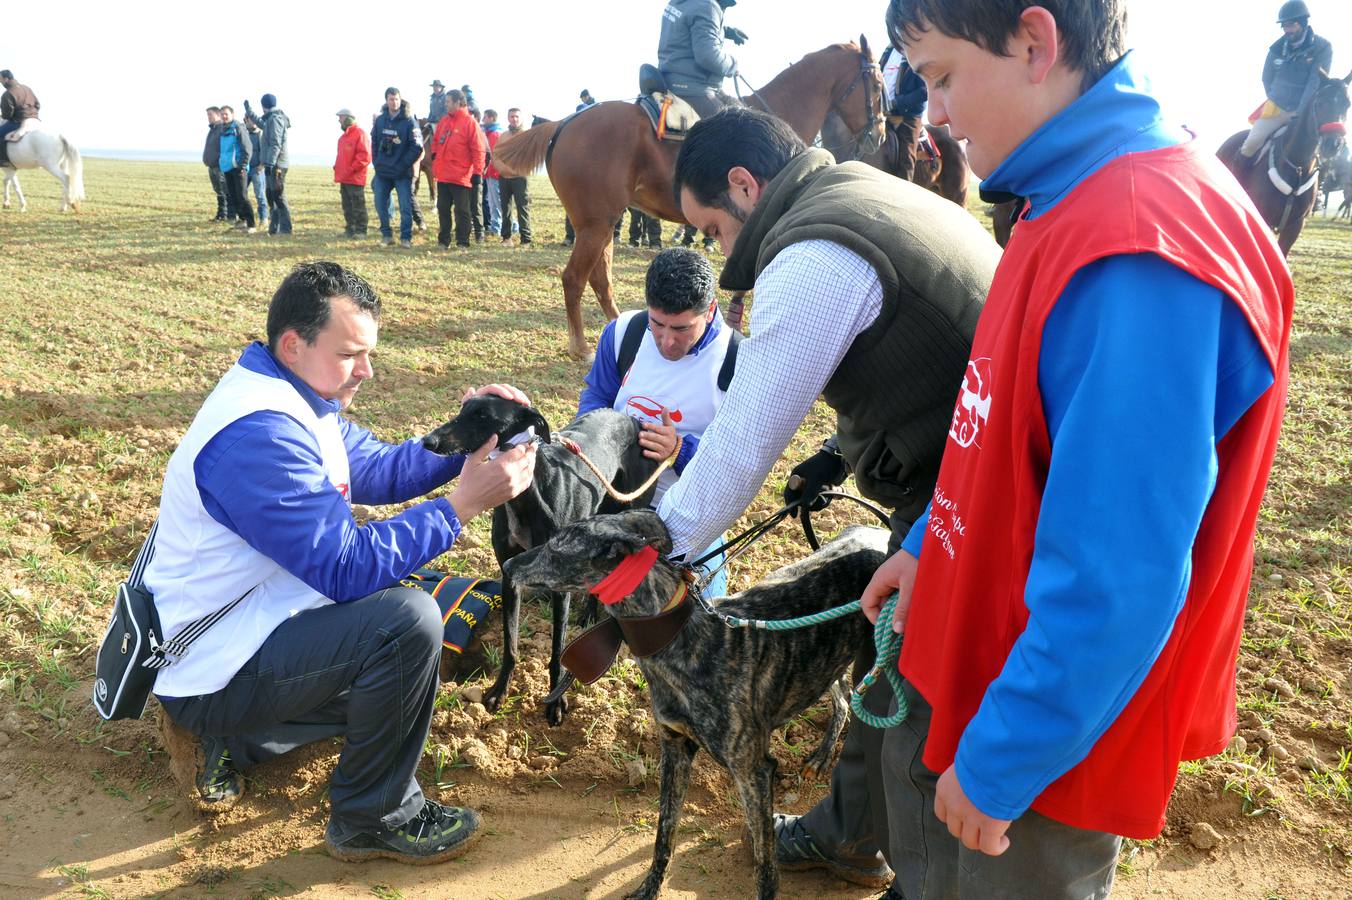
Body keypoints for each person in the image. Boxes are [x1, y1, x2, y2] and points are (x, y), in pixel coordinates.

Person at [850, 3, 1295, 898]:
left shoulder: (1136, 248)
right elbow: (1011, 424)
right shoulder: (1066, 194)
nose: (933, 112)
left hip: (1034, 736)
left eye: (940, 76)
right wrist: (926, 542)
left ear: (1034, 42)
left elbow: (1117, 574)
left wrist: (1009, 755)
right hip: (982, 658)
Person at [664, 105, 1000, 888]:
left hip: (969, 495)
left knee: (914, 702)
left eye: (713, 228)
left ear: (745, 186)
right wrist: (833, 456)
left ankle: (918, 877)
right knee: (885, 662)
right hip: (963, 463)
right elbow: (911, 350)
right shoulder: (861, 191)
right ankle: (847, 832)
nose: (720, 250)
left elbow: (742, 442)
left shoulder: (813, 253)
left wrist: (657, 546)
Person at [148, 261, 536, 865]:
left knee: (395, 678)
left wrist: (469, 432)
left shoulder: (293, 395)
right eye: (352, 353)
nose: (368, 370)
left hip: (254, 627)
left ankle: (231, 737)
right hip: (214, 659)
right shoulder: (262, 436)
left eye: (369, 353)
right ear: (294, 344)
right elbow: (347, 567)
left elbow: (379, 468)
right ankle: (372, 815)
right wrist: (460, 506)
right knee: (407, 623)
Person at [578, 248, 739, 594]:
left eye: (682, 328)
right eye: (657, 324)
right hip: (614, 501)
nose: (666, 340)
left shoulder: (736, 360)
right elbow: (596, 398)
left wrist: (679, 449)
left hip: (689, 512)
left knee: (696, 608)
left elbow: (737, 462)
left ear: (710, 310)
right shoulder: (624, 333)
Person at [1237, 1, 1335, 164]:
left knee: (1323, 147)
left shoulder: (1322, 47)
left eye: (1291, 25)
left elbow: (1314, 83)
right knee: (1251, 143)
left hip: (1305, 113)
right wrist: (1277, 98)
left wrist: (1300, 111)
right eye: (1284, 26)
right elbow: (1266, 78)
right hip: (1276, 108)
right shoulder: (1275, 49)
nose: (1287, 30)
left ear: (1303, 23)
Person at [657, 0, 747, 118]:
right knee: (739, 126)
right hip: (692, 87)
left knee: (739, 108)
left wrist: (725, 31)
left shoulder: (682, 2)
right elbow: (708, 57)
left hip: (671, 79)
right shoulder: (707, 7)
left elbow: (689, 22)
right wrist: (733, 65)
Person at [430, 90, 486, 249]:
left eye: (448, 101)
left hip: (461, 176)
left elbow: (478, 150)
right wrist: (434, 155)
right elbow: (435, 140)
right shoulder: (444, 121)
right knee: (442, 209)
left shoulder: (470, 123)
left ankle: (462, 241)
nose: (445, 104)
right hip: (443, 175)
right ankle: (443, 240)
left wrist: (477, 172)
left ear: (458, 103)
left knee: (462, 211)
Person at [372, 87, 423, 248]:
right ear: (386, 101)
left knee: (405, 206)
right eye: (391, 99)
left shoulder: (409, 121)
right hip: (383, 171)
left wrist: (403, 164)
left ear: (400, 100)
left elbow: (417, 147)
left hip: (402, 173)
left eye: (396, 99)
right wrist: (376, 161)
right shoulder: (380, 120)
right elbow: (374, 142)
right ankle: (386, 235)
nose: (394, 102)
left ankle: (406, 238)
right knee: (380, 203)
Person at [217, 106, 256, 233]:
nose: (224, 116)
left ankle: (251, 224)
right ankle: (242, 220)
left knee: (242, 196)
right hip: (227, 167)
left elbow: (247, 147)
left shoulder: (238, 127)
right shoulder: (222, 129)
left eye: (226, 114)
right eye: (222, 114)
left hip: (239, 167)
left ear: (232, 114)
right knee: (233, 196)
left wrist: (243, 165)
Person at [259, 94, 293, 236]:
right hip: (274, 164)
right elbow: (261, 123)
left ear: (263, 106)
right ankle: (274, 228)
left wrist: (270, 163)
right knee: (272, 195)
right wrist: (249, 112)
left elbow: (275, 144)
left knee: (278, 196)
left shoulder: (275, 119)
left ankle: (285, 229)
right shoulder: (271, 119)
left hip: (277, 164)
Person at [334, 108, 371, 238]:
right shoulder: (343, 138)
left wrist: (351, 169)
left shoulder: (360, 134)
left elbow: (365, 156)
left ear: (349, 118)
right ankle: (350, 229)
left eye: (341, 117)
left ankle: (361, 230)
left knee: (358, 205)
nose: (339, 120)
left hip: (355, 178)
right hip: (344, 177)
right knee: (347, 205)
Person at [498, 108, 532, 245]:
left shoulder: (526, 135)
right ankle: (506, 238)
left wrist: (516, 170)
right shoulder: (503, 136)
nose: (514, 119)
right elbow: (496, 155)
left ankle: (526, 239)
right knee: (505, 208)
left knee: (522, 207)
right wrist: (502, 169)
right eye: (512, 116)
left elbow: (529, 156)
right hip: (504, 177)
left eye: (517, 116)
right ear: (508, 118)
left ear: (521, 118)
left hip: (520, 177)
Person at [202, 107, 229, 222]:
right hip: (211, 165)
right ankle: (220, 213)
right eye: (207, 115)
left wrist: (219, 160)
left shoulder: (221, 128)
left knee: (223, 190)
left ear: (218, 115)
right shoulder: (212, 129)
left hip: (219, 166)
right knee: (218, 190)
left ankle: (225, 214)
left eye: (210, 115)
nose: (208, 117)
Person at [0, 70, 40, 143]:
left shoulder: (7, 94)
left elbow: (7, 115)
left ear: (6, 79)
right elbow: (38, 105)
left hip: (18, 121)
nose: (0, 82)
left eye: (0, 79)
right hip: (35, 119)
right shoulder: (27, 88)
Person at [245, 115, 269, 231]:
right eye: (250, 120)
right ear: (246, 121)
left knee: (260, 194)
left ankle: (263, 218)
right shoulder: (243, 133)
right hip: (245, 168)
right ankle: (244, 218)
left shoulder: (261, 134)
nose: (253, 122)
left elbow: (265, 150)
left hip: (257, 168)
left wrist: (262, 165)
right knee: (242, 194)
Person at [481, 109, 504, 236]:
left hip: (494, 173)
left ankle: (502, 226)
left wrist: (488, 170)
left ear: (491, 118)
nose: (483, 119)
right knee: (493, 201)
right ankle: (497, 225)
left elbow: (493, 155)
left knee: (497, 201)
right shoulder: (491, 132)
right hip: (490, 172)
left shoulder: (494, 134)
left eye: (485, 117)